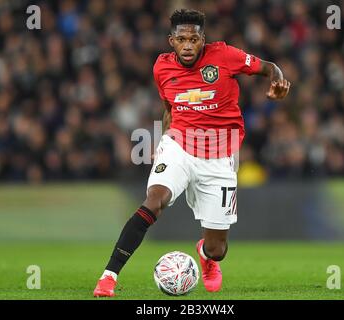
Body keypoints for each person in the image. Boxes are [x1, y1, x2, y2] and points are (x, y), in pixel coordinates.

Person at [93, 8, 290, 297]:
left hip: (220, 157)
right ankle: (108, 277)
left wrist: (278, 81)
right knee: (154, 201)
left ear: (203, 40)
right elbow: (170, 107)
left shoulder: (224, 56)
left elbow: (268, 66)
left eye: (194, 39)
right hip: (179, 146)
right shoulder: (161, 67)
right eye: (181, 39)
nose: (188, 45)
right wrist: (162, 140)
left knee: (217, 249)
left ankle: (207, 258)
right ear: (171, 40)